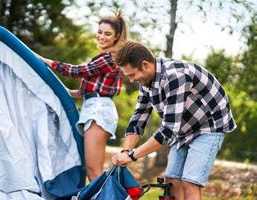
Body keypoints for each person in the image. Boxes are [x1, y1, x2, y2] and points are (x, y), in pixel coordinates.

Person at [111, 41, 236, 200]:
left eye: (132, 75)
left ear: (145, 65)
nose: (130, 80)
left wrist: (133, 155)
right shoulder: (145, 82)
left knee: (190, 182)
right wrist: (125, 151)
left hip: (209, 125)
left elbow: (168, 131)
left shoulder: (174, 75)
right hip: (183, 128)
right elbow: (138, 119)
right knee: (172, 180)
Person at [39, 12, 128, 181]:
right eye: (100, 32)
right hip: (94, 106)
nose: (101, 36)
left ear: (117, 36)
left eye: (107, 34)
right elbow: (89, 90)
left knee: (94, 170)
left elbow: (79, 71)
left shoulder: (111, 58)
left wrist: (46, 61)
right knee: (92, 170)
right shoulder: (104, 57)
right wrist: (66, 92)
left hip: (98, 110)